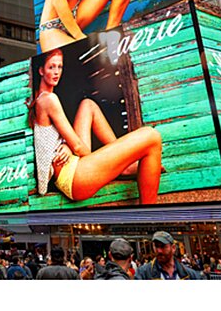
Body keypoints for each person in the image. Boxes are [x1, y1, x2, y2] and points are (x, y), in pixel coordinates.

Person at [31, 48, 162, 203]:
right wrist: (104, 160)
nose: (56, 72)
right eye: (51, 67)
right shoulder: (48, 100)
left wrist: (66, 146)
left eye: (59, 67)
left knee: (88, 105)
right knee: (152, 137)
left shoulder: (41, 99)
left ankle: (123, 166)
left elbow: (56, 141)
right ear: (41, 70)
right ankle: (149, 218)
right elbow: (78, 147)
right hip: (74, 178)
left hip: (71, 166)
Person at [134, 232, 202, 280]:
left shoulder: (190, 274)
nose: (159, 251)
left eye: (163, 246)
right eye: (156, 246)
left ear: (173, 248)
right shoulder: (143, 273)